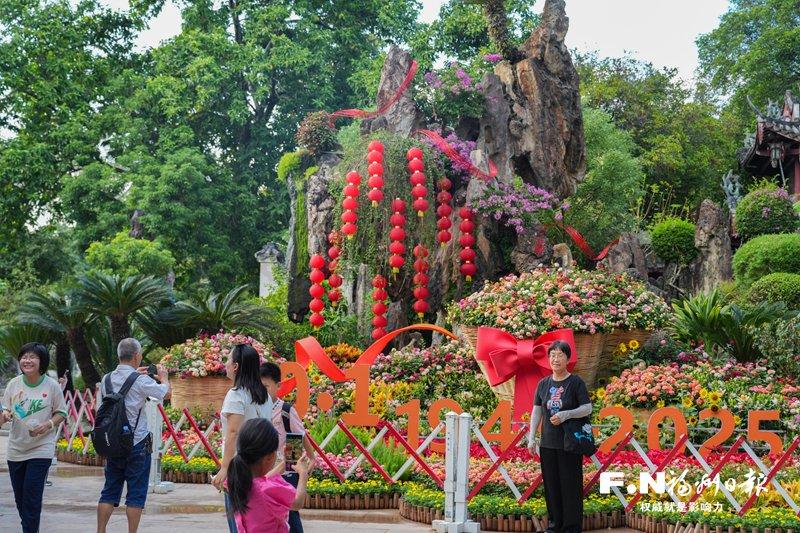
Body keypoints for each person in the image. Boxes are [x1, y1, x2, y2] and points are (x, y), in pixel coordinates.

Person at [96, 338, 170, 533]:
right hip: (136, 444)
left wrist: (135, 375)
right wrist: (164, 378)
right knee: (135, 495)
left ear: (119, 355)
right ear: (137, 356)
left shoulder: (106, 379)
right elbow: (165, 394)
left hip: (112, 444)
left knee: (109, 491)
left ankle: (100, 530)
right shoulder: (141, 380)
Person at [1, 342, 67, 533]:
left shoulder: (51, 385)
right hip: (16, 449)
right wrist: (5, 415)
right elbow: (5, 411)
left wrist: (48, 425)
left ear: (42, 361)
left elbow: (61, 412)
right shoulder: (14, 384)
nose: (27, 360)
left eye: (32, 357)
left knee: (31, 497)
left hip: (41, 448)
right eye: (24, 357)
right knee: (20, 499)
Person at [527, 341, 592, 533]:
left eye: (560, 355)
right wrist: (532, 438)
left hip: (570, 443)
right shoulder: (543, 384)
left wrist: (566, 414)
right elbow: (536, 412)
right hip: (548, 443)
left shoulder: (576, 382)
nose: (556, 359)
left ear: (568, 358)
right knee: (552, 486)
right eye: (552, 355)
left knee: (570, 486)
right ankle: (554, 525)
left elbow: (587, 408)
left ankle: (571, 527)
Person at [212, 344, 273, 533]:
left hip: (239, 468)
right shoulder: (264, 395)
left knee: (238, 524)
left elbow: (233, 432)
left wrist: (224, 468)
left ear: (236, 366)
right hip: (260, 465)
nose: (225, 364)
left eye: (228, 359)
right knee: (254, 522)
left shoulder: (236, 395)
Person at [227, 418, 312, 533]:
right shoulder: (267, 490)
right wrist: (303, 474)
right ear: (270, 457)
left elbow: (263, 480)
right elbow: (297, 503)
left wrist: (284, 464)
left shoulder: (237, 481)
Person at [260, 362, 317, 533]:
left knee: (290, 514)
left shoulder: (285, 411)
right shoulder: (256, 410)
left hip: (285, 473)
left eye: (266, 387)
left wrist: (310, 459)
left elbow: (298, 439)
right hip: (263, 471)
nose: (262, 391)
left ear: (278, 386)